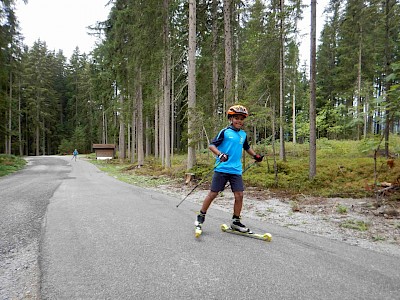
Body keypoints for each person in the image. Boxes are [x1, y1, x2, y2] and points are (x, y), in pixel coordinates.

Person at [195, 104, 263, 233]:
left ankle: (235, 221)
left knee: (240, 195)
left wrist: (256, 156)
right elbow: (211, 145)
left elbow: (246, 147)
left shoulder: (243, 134)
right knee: (213, 193)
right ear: (230, 119)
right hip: (222, 168)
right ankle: (201, 216)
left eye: (241, 119)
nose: (239, 121)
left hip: (236, 170)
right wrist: (220, 154)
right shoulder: (225, 132)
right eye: (236, 118)